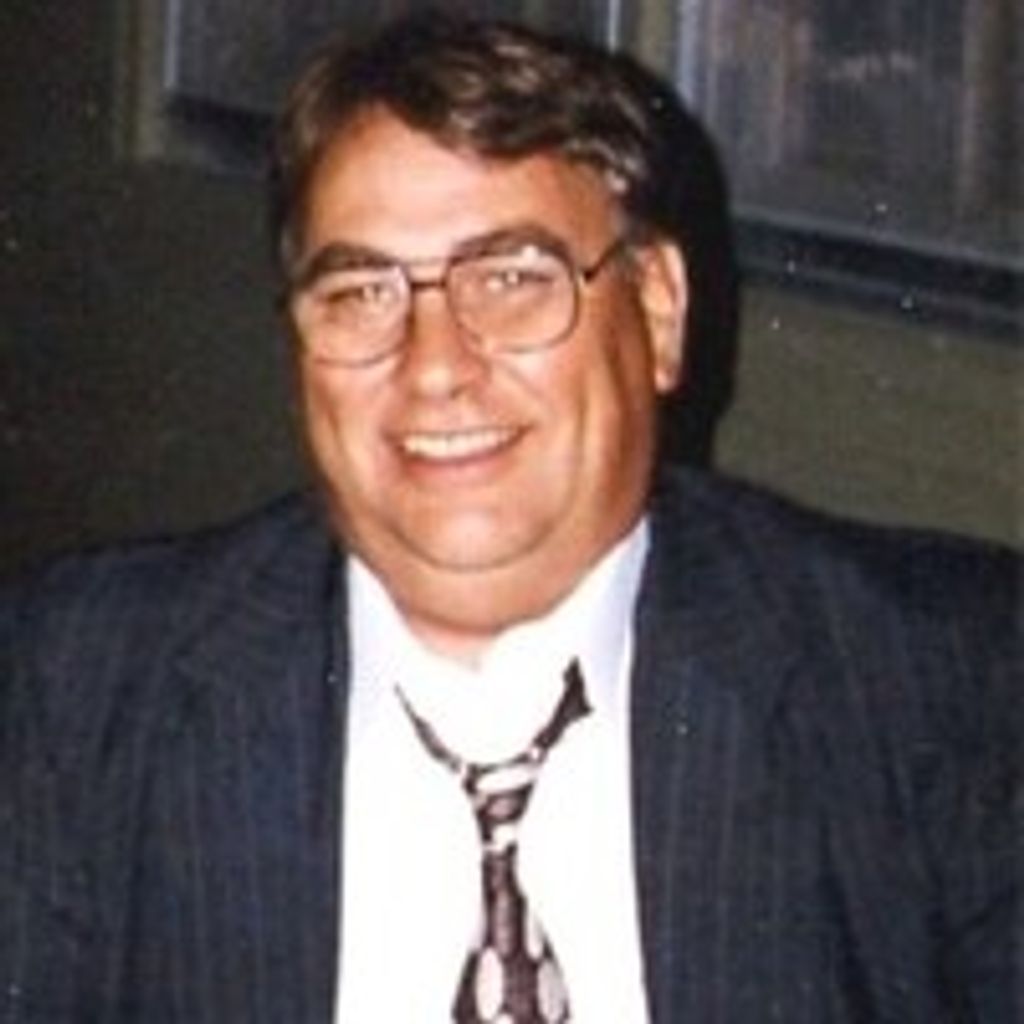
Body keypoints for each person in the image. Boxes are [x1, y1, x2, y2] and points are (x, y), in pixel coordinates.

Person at [1, 12, 1019, 1023]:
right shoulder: (77, 693)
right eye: (360, 292)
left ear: (657, 309)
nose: (435, 366)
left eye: (512, 279)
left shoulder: (947, 689)